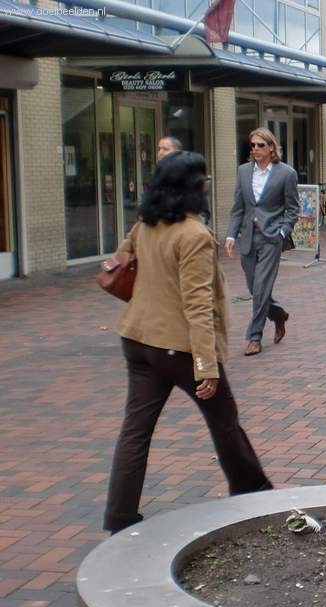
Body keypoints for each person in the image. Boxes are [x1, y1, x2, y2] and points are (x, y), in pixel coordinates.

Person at [103, 152, 271, 534]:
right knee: (225, 422)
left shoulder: (146, 223)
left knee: (135, 430)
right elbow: (197, 304)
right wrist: (206, 365)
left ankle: (119, 516)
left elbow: (122, 255)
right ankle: (254, 493)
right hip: (177, 347)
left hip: (137, 337)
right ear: (195, 187)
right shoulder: (194, 234)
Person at [225, 127, 299, 356]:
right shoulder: (243, 171)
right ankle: (278, 314)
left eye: (260, 145)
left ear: (271, 147)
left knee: (261, 287)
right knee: (253, 287)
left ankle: (254, 337)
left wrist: (282, 232)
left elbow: (293, 208)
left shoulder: (286, 174)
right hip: (248, 237)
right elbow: (238, 207)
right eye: (253, 145)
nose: (255, 149)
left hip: (271, 238)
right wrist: (230, 235)